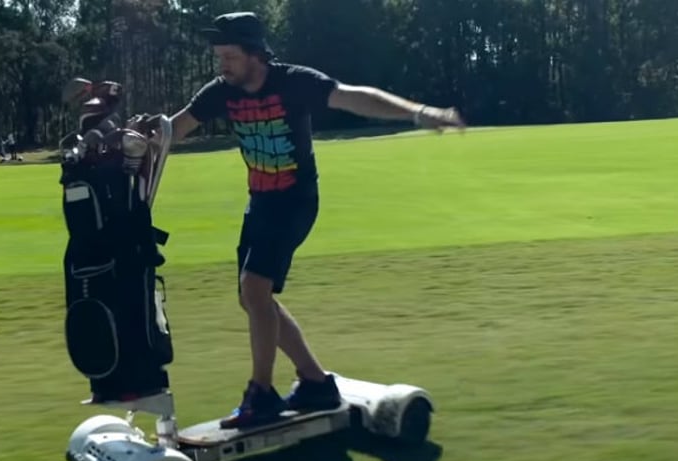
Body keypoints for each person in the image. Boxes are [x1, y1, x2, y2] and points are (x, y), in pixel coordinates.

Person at [163, 11, 466, 429]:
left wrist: (417, 112)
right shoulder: (221, 92)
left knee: (254, 290)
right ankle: (315, 382)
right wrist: (130, 145)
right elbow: (174, 129)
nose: (223, 65)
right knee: (253, 298)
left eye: (229, 56)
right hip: (260, 202)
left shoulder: (293, 82)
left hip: (295, 200)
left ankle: (262, 394)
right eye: (220, 56)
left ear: (254, 55)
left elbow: (354, 96)